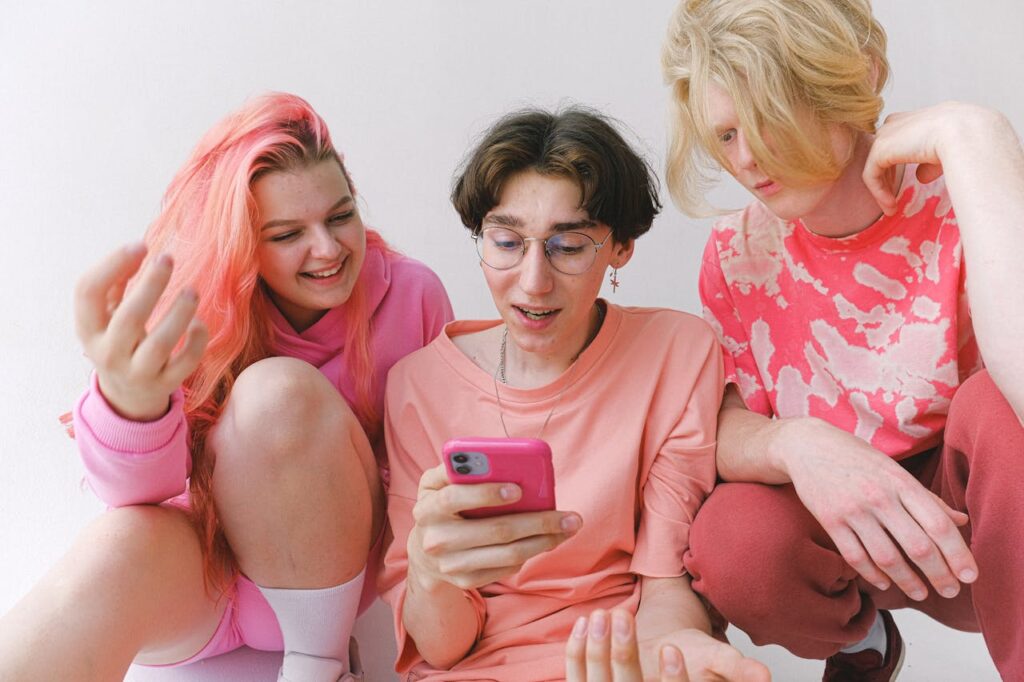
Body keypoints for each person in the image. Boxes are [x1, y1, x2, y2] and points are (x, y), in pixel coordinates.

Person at [0, 93, 452, 681]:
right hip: (207, 581)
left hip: (326, 584)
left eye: (341, 216)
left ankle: (322, 667)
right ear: (241, 242)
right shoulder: (195, 309)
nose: (328, 248)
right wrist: (130, 404)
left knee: (275, 394)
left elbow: (431, 473)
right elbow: (141, 496)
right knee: (116, 541)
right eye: (288, 233)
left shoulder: (413, 295)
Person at [662, 0, 1024, 679]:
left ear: (842, 84)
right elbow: (724, 420)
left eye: (767, 119)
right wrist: (799, 444)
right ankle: (860, 643)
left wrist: (974, 134)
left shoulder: (967, 194)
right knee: (730, 535)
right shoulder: (735, 253)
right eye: (728, 134)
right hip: (847, 532)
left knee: (996, 411)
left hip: (985, 526)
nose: (748, 159)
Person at [378, 107, 770, 681]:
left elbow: (664, 583)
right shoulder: (418, 387)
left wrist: (674, 650)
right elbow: (442, 649)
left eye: (568, 246)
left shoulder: (678, 352)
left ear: (621, 248)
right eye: (507, 242)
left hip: (623, 658)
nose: (533, 281)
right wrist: (430, 569)